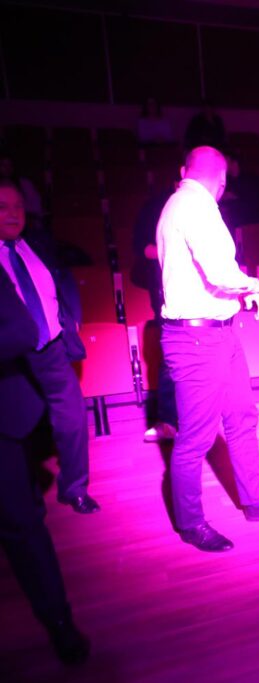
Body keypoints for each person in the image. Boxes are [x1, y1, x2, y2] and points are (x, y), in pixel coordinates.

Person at [157, 146, 259, 552]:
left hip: (215, 333)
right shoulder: (194, 206)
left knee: (241, 417)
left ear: (187, 169)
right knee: (196, 438)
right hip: (197, 339)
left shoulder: (184, 204)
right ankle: (191, 523)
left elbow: (208, 275)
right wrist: (253, 285)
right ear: (223, 180)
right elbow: (218, 271)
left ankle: (256, 501)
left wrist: (240, 292)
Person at [0, 247, 90, 665]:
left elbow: (22, 328)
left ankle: (59, 622)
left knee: (23, 526)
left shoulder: (33, 245)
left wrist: (71, 318)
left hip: (11, 401)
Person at [0, 184, 97, 514]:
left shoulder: (37, 243)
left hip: (52, 346)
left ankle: (74, 488)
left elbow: (66, 277)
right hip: (11, 359)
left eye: (18, 206)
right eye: (3, 207)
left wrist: (72, 317)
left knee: (72, 417)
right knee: (20, 426)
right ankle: (24, 501)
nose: (12, 214)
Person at [131, 184, 178, 442]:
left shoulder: (205, 207)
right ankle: (169, 421)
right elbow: (141, 247)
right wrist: (174, 253)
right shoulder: (155, 207)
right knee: (171, 356)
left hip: (200, 293)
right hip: (165, 289)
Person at [0, 152, 43, 228]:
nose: (7, 168)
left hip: (25, 225)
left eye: (10, 165)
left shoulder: (25, 184)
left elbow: (36, 207)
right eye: (3, 165)